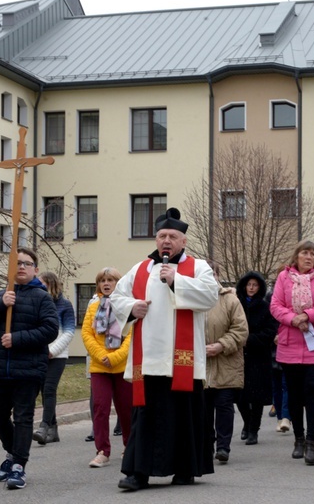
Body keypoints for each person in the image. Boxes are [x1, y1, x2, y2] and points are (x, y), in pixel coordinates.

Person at [111, 207, 219, 491]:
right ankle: (138, 473)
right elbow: (115, 300)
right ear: (156, 240)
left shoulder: (198, 267)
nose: (166, 241)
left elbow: (210, 296)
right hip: (148, 359)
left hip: (182, 359)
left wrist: (176, 281)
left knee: (184, 415)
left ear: (183, 241)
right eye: (162, 236)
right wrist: (132, 307)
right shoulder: (139, 269)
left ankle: (185, 470)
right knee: (145, 416)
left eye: (172, 236)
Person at [0, 247, 58, 490]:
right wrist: (0, 305)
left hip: (29, 369)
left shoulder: (42, 297)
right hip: (0, 367)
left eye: (26, 263)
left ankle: (18, 465)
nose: (21, 267)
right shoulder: (0, 296)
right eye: (17, 263)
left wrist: (18, 338)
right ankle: (12, 453)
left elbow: (50, 330)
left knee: (23, 417)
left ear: (35, 269)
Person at [270, 240, 314, 466]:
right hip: (290, 341)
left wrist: (306, 315)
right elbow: (275, 305)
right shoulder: (283, 277)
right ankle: (298, 438)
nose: (309, 257)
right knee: (295, 394)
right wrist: (292, 319)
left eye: (313, 254)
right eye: (305, 253)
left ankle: (311, 442)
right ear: (296, 256)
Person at [81, 267, 133, 468]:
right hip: (99, 366)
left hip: (122, 367)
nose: (106, 283)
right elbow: (87, 334)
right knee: (100, 408)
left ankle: (130, 446)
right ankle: (102, 451)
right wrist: (102, 356)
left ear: (118, 283)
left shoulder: (128, 305)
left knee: (126, 409)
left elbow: (132, 335)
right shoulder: (93, 306)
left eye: (110, 280)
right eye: (102, 280)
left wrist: (117, 357)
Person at [204, 262, 248, 463]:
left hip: (226, 362)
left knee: (223, 406)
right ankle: (205, 446)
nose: (208, 277)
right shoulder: (191, 299)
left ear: (217, 275)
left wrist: (221, 345)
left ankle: (223, 447)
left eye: (211, 273)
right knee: (202, 408)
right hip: (200, 366)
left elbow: (241, 330)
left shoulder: (230, 300)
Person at [33, 271, 75, 445]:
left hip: (57, 355)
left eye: (42, 284)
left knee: (49, 389)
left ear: (51, 284)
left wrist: (52, 351)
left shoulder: (64, 305)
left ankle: (44, 426)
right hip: (39, 353)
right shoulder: (38, 304)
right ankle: (54, 429)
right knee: (43, 390)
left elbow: (69, 332)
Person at [235, 271, 277, 445]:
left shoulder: (265, 307)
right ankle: (247, 423)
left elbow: (270, 331)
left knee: (257, 395)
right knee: (239, 393)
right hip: (237, 354)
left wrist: (250, 340)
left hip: (258, 355)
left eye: (255, 285)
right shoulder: (236, 304)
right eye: (249, 285)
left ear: (260, 287)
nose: (251, 288)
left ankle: (254, 430)